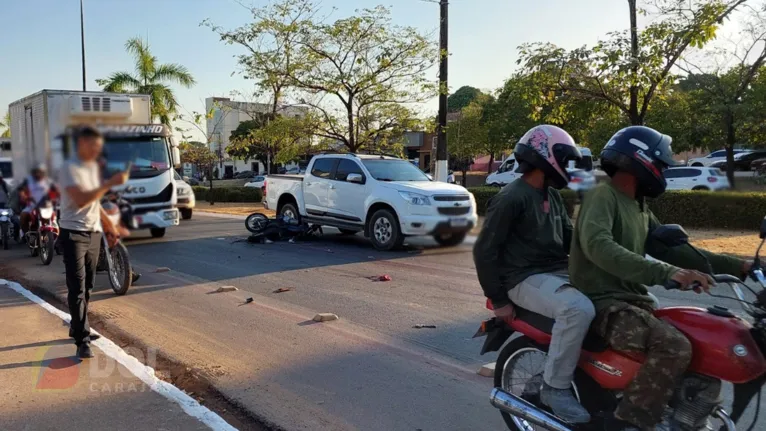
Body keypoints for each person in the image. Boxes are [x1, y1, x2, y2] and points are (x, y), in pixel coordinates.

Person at [569, 126, 751, 431]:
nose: (664, 174)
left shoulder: (640, 207)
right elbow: (600, 247)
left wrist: (741, 266)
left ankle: (682, 412)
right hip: (603, 303)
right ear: (640, 161)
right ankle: (628, 422)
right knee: (673, 346)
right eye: (662, 166)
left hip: (632, 302)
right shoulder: (602, 196)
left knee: (703, 338)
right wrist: (668, 274)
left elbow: (677, 252)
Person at [473, 125, 595, 424]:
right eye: (565, 160)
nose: (569, 168)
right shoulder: (511, 197)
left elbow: (572, 240)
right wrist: (498, 298)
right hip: (522, 279)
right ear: (544, 157)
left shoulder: (551, 196)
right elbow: (484, 251)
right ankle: (554, 388)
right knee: (577, 309)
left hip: (555, 274)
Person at [59, 125, 128, 359]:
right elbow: (80, 200)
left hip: (93, 233)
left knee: (88, 285)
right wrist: (110, 184)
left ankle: (77, 326)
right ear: (82, 144)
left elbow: (95, 204)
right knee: (76, 287)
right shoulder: (69, 168)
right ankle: (82, 340)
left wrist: (109, 227)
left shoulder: (91, 169)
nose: (97, 151)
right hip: (73, 233)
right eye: (94, 147)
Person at [17, 163, 59, 236]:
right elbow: (21, 190)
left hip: (46, 206)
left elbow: (56, 190)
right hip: (32, 205)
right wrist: (24, 196)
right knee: (23, 215)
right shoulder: (28, 180)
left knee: (55, 217)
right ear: (33, 173)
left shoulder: (48, 181)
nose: (37, 174)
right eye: (36, 172)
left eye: (39, 172)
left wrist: (55, 198)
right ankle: (27, 234)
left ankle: (56, 235)